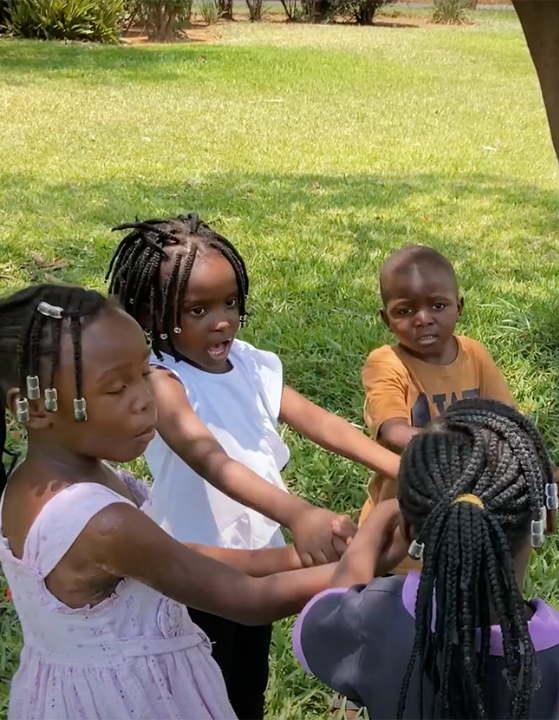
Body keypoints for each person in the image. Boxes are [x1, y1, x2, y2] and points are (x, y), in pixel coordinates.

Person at [0, 284, 393, 720]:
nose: (146, 400)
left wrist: (296, 556)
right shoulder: (101, 523)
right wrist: (367, 555)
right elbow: (247, 599)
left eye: (145, 374)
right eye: (117, 388)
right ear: (34, 406)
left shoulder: (38, 485)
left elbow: (181, 558)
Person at [105, 214, 401, 720]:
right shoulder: (163, 382)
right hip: (196, 563)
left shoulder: (247, 362)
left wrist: (397, 461)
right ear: (153, 315)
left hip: (259, 554)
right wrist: (298, 513)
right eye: (197, 309)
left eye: (230, 303)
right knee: (202, 688)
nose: (222, 320)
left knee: (248, 683)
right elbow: (209, 458)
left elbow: (316, 420)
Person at [293, 400, 559, 720]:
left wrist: (374, 527)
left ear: (409, 528)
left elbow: (331, 603)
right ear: (547, 518)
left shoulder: (373, 618)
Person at [356, 245, 515, 575]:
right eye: (404, 311)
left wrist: (543, 472)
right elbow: (394, 430)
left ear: (459, 308)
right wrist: (464, 447)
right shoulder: (386, 363)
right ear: (386, 319)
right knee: (401, 618)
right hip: (399, 537)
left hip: (465, 523)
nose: (423, 318)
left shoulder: (475, 355)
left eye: (437, 305)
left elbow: (508, 424)